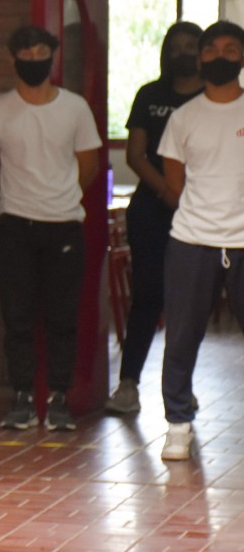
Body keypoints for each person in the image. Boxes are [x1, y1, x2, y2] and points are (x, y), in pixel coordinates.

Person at [0, 24, 102, 433]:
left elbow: (89, 167)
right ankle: (22, 398)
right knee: (18, 318)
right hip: (15, 226)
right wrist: (20, 200)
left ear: (53, 57)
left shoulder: (75, 108)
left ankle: (59, 398)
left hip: (64, 225)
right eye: (25, 55)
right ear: (14, 60)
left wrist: (58, 198)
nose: (33, 61)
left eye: (41, 53)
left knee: (63, 317)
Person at [156, 19, 244, 461]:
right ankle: (178, 422)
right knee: (182, 336)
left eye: (231, 49)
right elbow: (176, 184)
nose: (220, 57)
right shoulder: (183, 117)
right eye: (211, 50)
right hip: (192, 241)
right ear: (199, 57)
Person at [106, 22, 203, 414]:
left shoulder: (213, 98)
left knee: (189, 303)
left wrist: (187, 197)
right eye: (175, 46)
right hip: (152, 208)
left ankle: (182, 388)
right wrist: (167, 190)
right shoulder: (150, 94)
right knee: (146, 296)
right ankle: (128, 384)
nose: (183, 53)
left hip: (200, 212)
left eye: (191, 46)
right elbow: (135, 154)